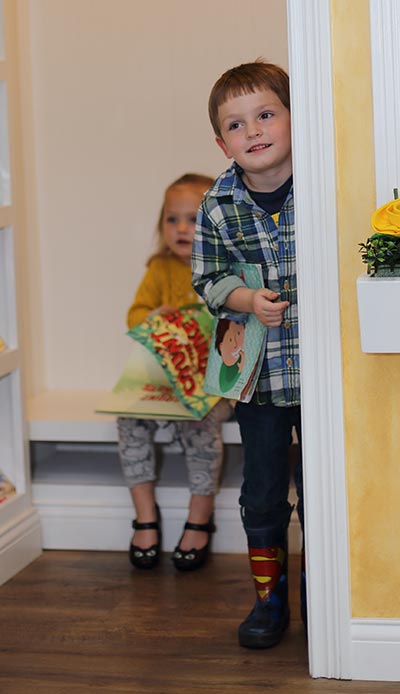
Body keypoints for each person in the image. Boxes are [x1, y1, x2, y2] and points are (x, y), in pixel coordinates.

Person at [192, 60, 302, 649]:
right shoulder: (217, 204)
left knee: (321, 488)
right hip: (259, 378)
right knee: (262, 492)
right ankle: (269, 599)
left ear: (293, 118)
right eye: (236, 125)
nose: (253, 131)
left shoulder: (323, 181)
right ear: (221, 142)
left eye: (266, 115)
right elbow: (207, 282)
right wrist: (244, 297)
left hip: (320, 375)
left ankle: (327, 594)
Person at [119, 173, 232, 572]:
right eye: (172, 219)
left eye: (194, 219)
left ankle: (199, 518)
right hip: (165, 379)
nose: (182, 229)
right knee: (129, 418)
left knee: (201, 428)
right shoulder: (160, 269)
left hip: (210, 384)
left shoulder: (224, 267)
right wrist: (153, 317)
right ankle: (144, 516)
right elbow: (134, 317)